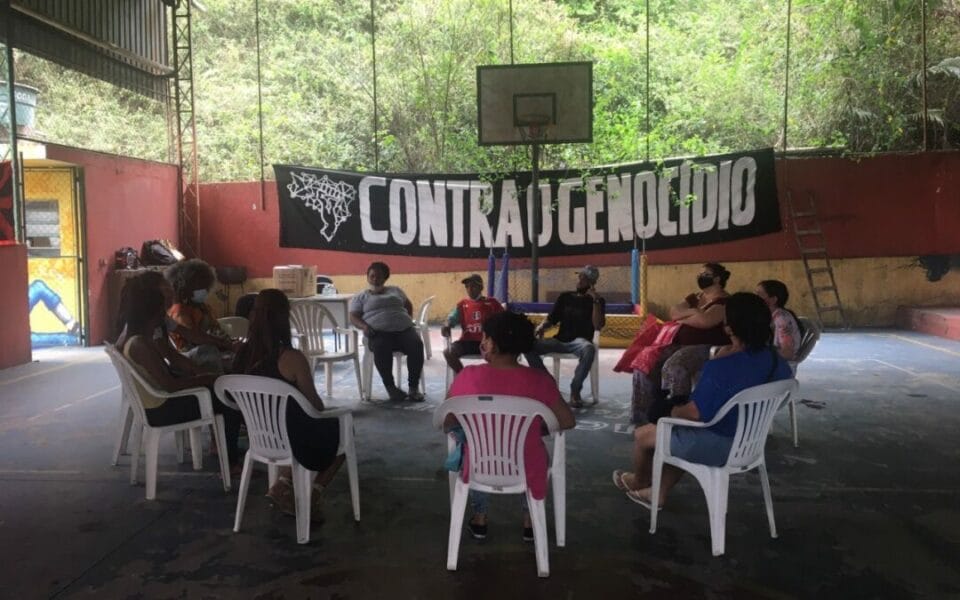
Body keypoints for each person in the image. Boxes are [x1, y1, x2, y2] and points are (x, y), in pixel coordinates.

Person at [612, 292, 792, 508]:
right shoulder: (777, 362)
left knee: (644, 434)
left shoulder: (722, 366)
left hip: (720, 445)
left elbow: (694, 414)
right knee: (679, 431)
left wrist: (668, 411)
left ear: (729, 328)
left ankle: (639, 481)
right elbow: (781, 398)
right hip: (752, 442)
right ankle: (657, 492)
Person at [445, 311, 575, 541]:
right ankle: (529, 522)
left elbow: (447, 421)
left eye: (485, 337)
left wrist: (475, 427)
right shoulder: (540, 380)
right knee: (533, 450)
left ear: (492, 344)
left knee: (472, 446)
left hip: (479, 466)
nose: (482, 343)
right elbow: (567, 421)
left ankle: (480, 519)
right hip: (527, 464)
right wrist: (534, 430)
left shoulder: (468, 376)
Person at [233, 289, 344, 518]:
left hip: (261, 437)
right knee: (342, 430)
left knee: (299, 427)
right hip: (293, 439)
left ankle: (282, 485)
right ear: (284, 317)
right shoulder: (292, 358)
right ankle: (314, 493)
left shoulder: (242, 355)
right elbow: (316, 405)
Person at [118, 282, 243, 472]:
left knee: (220, 390)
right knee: (227, 400)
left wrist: (202, 376)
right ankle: (231, 462)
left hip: (159, 404)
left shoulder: (139, 339)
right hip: (162, 410)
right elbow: (170, 385)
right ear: (150, 313)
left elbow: (170, 366)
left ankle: (227, 451)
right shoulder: (140, 345)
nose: (163, 314)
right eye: (160, 309)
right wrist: (205, 379)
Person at [615, 262, 732, 425]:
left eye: (705, 274)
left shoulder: (724, 302)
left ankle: (675, 414)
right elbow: (674, 312)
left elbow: (705, 321)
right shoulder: (695, 297)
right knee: (645, 360)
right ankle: (644, 416)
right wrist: (694, 312)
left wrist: (685, 317)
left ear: (717, 279)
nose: (700, 277)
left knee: (674, 366)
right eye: (700, 274)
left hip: (707, 347)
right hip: (676, 343)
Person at [524, 265, 606, 408]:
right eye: (580, 276)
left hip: (580, 342)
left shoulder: (597, 301)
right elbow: (552, 319)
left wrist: (595, 301)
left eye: (584, 278)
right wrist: (541, 327)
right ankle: (548, 383)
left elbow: (597, 325)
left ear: (591, 282)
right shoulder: (565, 297)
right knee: (527, 345)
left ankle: (575, 389)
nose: (579, 279)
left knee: (589, 349)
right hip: (559, 340)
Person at [349, 261, 425, 402]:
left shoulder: (395, 290)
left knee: (417, 345)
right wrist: (364, 327)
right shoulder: (361, 296)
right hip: (379, 333)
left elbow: (408, 305)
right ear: (367, 277)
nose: (375, 280)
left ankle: (413, 388)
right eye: (372, 276)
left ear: (385, 278)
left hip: (404, 330)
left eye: (379, 277)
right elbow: (353, 316)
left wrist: (407, 320)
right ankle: (391, 388)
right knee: (380, 346)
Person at [165, 259, 238, 371]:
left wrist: (230, 341)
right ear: (185, 288)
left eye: (206, 286)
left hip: (216, 348)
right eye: (199, 287)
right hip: (191, 355)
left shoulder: (202, 307)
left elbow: (215, 329)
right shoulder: (179, 311)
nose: (205, 291)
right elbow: (195, 338)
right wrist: (226, 345)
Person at [441, 273, 504, 374]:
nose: (469, 289)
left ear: (481, 287)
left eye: (473, 286)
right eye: (467, 286)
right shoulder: (463, 304)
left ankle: (495, 378)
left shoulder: (492, 303)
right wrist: (447, 324)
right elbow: (451, 318)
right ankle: (463, 376)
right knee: (448, 352)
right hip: (467, 341)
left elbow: (505, 318)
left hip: (487, 342)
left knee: (502, 353)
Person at [755, 279, 802, 361]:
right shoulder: (772, 315)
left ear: (773, 300)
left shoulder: (781, 320)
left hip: (781, 364)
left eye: (759, 294)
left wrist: (761, 354)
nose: (755, 298)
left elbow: (787, 354)